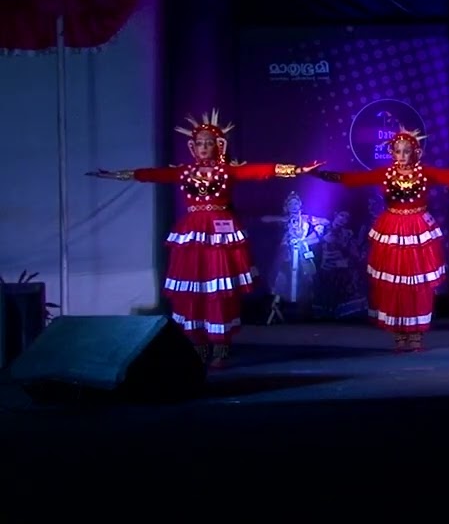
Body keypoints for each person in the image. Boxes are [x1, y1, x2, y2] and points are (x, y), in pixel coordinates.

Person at [87, 110, 321, 367]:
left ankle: (220, 347)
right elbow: (153, 174)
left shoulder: (228, 170)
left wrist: (298, 170)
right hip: (192, 234)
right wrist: (114, 175)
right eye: (199, 143)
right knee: (193, 291)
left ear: (219, 145)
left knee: (219, 291)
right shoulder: (185, 172)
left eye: (209, 142)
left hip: (221, 234)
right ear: (192, 147)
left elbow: (260, 171)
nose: (204, 147)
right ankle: (197, 345)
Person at [309, 127, 449, 352]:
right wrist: (319, 174)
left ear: (415, 153)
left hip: (418, 230)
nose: (401, 156)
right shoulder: (386, 173)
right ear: (392, 153)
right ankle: (399, 334)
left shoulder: (425, 172)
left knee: (417, 285)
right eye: (398, 151)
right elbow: (353, 179)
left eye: (406, 151)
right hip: (392, 229)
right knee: (395, 284)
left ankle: (417, 333)